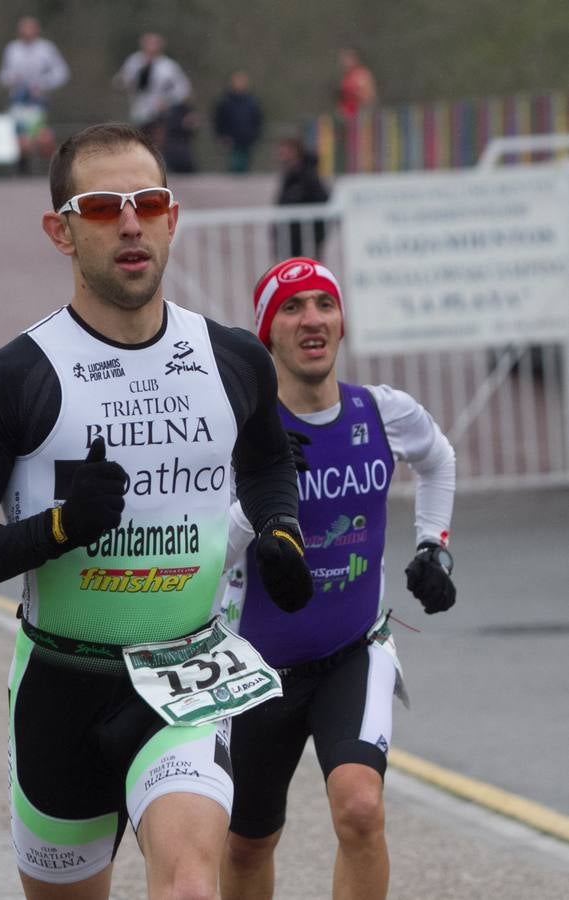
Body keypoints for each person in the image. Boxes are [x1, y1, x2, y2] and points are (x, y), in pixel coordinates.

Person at [0, 122, 313, 899]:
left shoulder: (232, 360)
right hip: (59, 688)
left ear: (172, 217)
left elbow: (267, 460)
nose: (129, 224)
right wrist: (58, 530)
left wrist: (280, 528)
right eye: (101, 207)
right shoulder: (16, 377)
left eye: (148, 202)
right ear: (59, 231)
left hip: (184, 679)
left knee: (192, 887)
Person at [218, 257, 457, 900]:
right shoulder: (240, 432)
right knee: (246, 843)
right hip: (252, 671)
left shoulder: (382, 412)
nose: (311, 320)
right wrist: (257, 506)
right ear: (267, 333)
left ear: (342, 322)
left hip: (352, 653)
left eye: (323, 303)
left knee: (360, 809)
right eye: (291, 308)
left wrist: (434, 546)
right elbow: (204, 556)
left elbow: (439, 460)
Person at [0, 16, 70, 174]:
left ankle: (53, 169)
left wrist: (44, 85)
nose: (27, 32)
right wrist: (11, 79)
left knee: (40, 138)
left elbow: (62, 72)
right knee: (21, 139)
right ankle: (22, 170)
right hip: (17, 100)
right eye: (24, 29)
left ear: (37, 31)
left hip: (38, 101)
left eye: (30, 29)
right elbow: (3, 75)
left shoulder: (46, 49)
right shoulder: (12, 49)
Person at [112, 33, 191, 154]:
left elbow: (183, 89)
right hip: (138, 110)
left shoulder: (168, 66)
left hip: (159, 114)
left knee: (157, 144)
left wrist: (168, 102)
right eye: (148, 43)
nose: (151, 47)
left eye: (154, 44)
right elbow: (119, 82)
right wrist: (124, 81)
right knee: (138, 143)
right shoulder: (134, 62)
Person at [275, 137, 330, 259]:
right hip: (292, 234)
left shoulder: (307, 174)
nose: (281, 156)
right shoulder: (291, 173)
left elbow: (322, 198)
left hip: (305, 235)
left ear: (295, 152)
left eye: (285, 152)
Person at [212, 70, 262, 174]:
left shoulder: (251, 101)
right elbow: (218, 120)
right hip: (231, 140)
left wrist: (254, 135)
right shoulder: (225, 101)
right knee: (234, 167)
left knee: (244, 167)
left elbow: (258, 119)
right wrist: (222, 135)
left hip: (247, 139)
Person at [337, 48, 377, 120]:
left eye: (347, 60)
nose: (344, 63)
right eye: (343, 61)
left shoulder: (361, 75)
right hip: (347, 115)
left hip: (361, 113)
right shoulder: (345, 78)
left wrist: (354, 93)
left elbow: (368, 97)